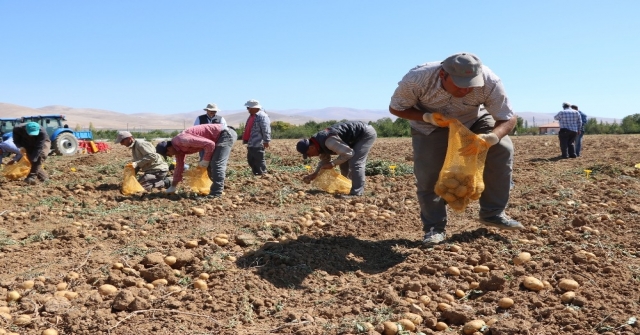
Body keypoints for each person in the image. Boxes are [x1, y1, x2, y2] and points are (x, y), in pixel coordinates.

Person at [388, 52, 524, 246]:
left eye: (471, 84)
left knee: (502, 147)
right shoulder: (417, 78)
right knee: (428, 173)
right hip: (430, 124)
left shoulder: (490, 80)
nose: (466, 90)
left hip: (474, 118)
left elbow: (508, 117)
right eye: (460, 85)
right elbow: (396, 108)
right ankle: (434, 227)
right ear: (443, 75)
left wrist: (491, 138)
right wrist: (428, 117)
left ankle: (492, 213)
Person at [296, 121, 377, 196]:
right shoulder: (317, 144)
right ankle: (348, 186)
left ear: (311, 148)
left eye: (308, 154)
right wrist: (315, 174)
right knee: (343, 163)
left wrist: (332, 164)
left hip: (365, 134)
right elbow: (324, 161)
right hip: (353, 139)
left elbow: (349, 153)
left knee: (355, 162)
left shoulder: (328, 141)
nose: (309, 156)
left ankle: (356, 193)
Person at [155, 123, 237, 197]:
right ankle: (218, 188)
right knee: (210, 166)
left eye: (168, 154)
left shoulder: (182, 140)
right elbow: (179, 167)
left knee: (216, 164)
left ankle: (216, 193)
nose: (170, 156)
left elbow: (210, 144)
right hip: (216, 138)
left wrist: (205, 160)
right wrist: (173, 186)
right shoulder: (178, 150)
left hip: (224, 134)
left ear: (169, 148)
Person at [242, 99, 271, 175]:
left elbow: (266, 129)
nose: (248, 109)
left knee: (259, 160)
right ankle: (256, 174)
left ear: (254, 108)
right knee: (251, 160)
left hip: (258, 143)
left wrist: (266, 140)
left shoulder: (262, 116)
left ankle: (263, 175)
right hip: (251, 142)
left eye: (249, 108)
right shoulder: (252, 116)